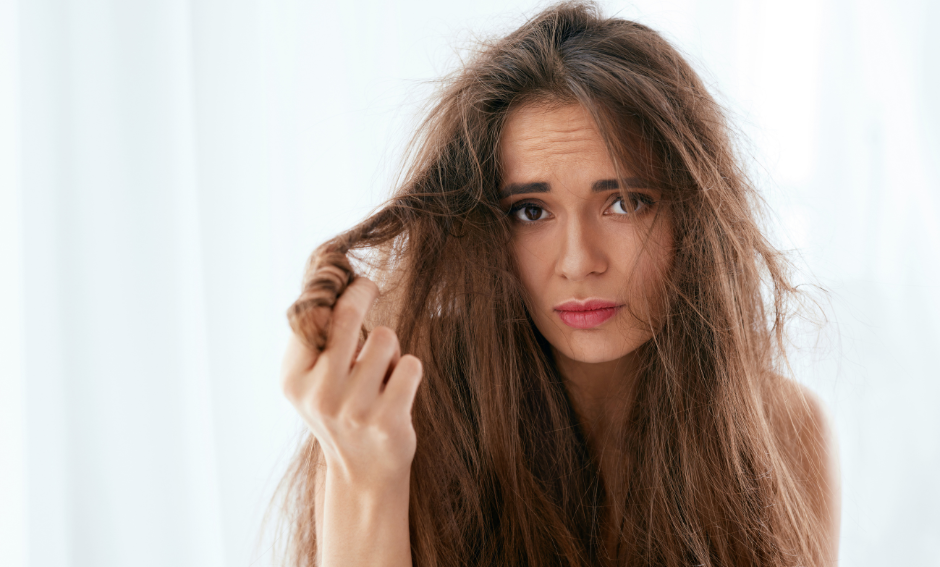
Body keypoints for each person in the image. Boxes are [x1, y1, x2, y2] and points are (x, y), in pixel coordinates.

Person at [274, 2, 840, 566]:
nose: (578, 262)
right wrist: (368, 476)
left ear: (695, 219)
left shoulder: (782, 431)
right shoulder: (394, 421)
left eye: (624, 203)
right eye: (530, 211)